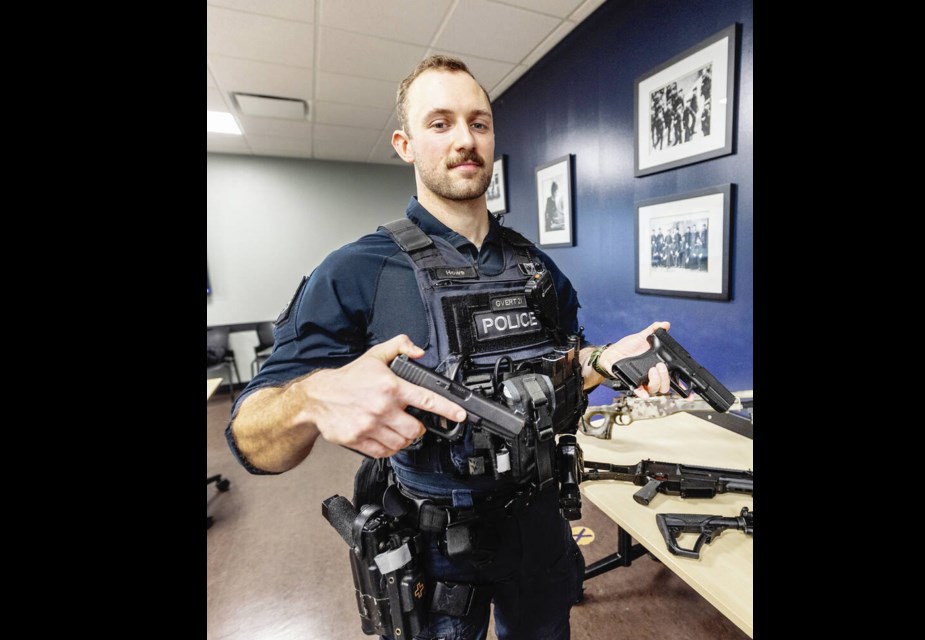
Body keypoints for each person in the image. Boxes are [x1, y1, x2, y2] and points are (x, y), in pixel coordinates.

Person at [226, 54, 671, 640]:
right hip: (434, 551)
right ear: (405, 144)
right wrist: (310, 397)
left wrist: (604, 360)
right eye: (440, 124)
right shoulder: (357, 270)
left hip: (538, 528)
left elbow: (566, 362)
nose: (465, 139)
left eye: (478, 122)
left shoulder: (536, 268)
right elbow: (251, 438)